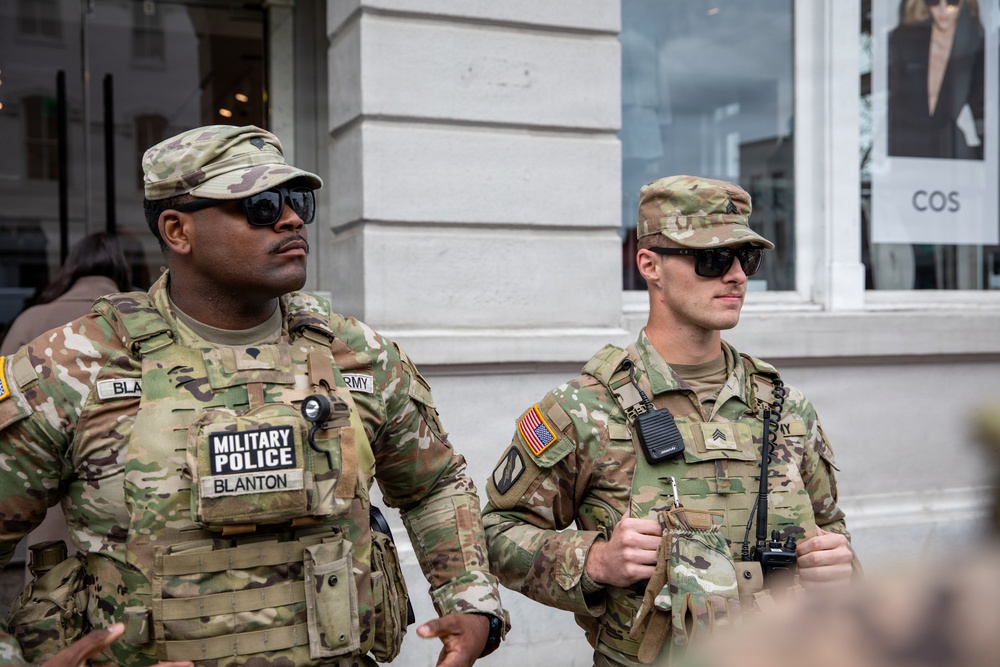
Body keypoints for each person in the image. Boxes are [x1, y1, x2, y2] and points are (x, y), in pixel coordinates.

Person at [0, 125, 506, 667]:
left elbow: (433, 485)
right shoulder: (72, 367)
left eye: (297, 201)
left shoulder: (359, 355)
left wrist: (470, 601)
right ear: (177, 230)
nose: (290, 219)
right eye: (261, 205)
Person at [482, 175, 857, 667]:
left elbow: (832, 530)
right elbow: (495, 531)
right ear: (650, 266)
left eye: (747, 259)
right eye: (714, 259)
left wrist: (842, 568)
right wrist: (595, 560)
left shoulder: (785, 407)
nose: (738, 276)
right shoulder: (585, 409)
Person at [0, 231, 132, 355]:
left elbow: (4, 375)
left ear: (69, 268)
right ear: (124, 272)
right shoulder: (140, 320)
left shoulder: (30, 321)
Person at [888, 0, 984, 159]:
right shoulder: (903, 41)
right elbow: (890, 102)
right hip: (905, 150)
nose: (943, 9)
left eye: (952, 1)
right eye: (934, 0)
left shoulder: (976, 47)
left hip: (951, 153)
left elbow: (982, 110)